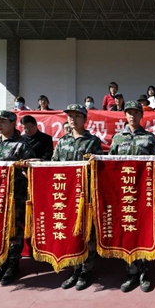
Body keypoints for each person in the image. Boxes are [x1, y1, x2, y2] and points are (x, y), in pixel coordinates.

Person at [0, 110, 35, 286]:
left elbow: (31, 170)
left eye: (3, 121)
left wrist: (24, 167)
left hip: (14, 195)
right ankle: (0, 263)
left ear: (13, 123)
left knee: (14, 231)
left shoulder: (22, 145)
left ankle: (12, 265)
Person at [109, 100, 155, 293]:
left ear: (141, 115)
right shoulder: (117, 139)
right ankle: (131, 272)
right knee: (128, 230)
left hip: (142, 194)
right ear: (125, 116)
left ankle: (145, 272)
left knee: (143, 230)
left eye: (136, 113)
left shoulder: (149, 138)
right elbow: (110, 165)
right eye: (129, 113)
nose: (132, 116)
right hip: (124, 194)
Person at [54, 104, 104, 291]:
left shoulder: (93, 142)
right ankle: (75, 268)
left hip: (87, 194)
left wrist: (94, 161)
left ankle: (86, 270)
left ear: (85, 119)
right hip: (67, 195)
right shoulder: (62, 142)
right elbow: (54, 166)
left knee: (87, 232)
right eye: (70, 116)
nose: (72, 119)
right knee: (71, 232)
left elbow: (101, 169)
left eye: (77, 116)